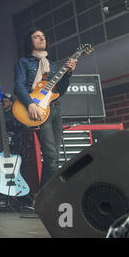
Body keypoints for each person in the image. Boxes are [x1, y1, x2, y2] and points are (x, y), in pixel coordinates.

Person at [14, 27, 76, 187]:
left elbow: (59, 91)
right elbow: (19, 86)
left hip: (55, 108)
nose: (41, 39)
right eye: (36, 37)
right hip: (38, 109)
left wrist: (68, 74)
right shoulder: (24, 62)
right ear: (30, 42)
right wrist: (30, 104)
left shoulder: (53, 66)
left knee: (53, 156)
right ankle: (60, 191)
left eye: (43, 36)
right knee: (50, 154)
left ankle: (41, 197)